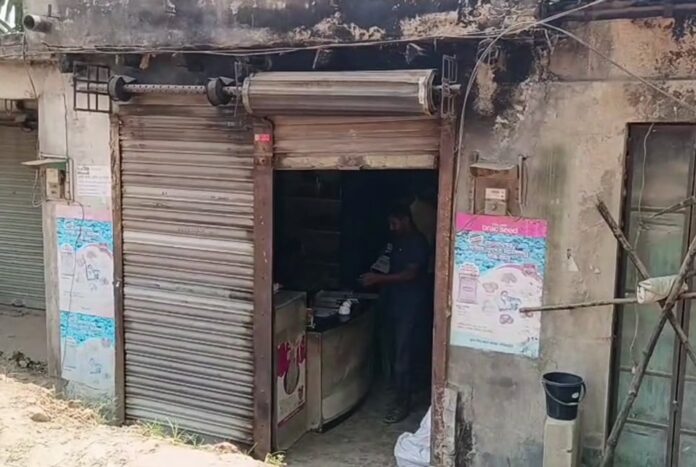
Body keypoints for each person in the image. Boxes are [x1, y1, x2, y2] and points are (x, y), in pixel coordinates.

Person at [360, 204, 430, 424]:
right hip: (393, 303)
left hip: (410, 307)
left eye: (394, 223)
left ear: (406, 220)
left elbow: (410, 274)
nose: (391, 227)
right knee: (392, 350)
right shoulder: (396, 241)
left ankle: (402, 403)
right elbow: (386, 262)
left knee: (403, 355)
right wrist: (374, 273)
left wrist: (379, 279)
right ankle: (400, 389)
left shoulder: (417, 243)